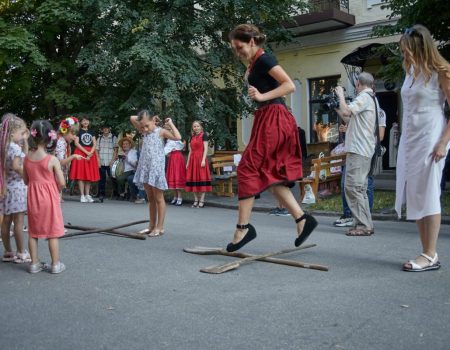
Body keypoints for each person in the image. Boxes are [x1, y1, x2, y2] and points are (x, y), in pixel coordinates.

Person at [226, 24, 317, 252]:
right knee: (270, 176)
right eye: (235, 49)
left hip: (274, 118)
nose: (238, 52)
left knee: (247, 168)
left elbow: (289, 85)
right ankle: (302, 219)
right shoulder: (255, 63)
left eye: (240, 47)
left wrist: (261, 95)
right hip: (267, 117)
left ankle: (243, 228)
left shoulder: (265, 59)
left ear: (252, 42)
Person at [396, 25, 450, 272]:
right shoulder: (410, 71)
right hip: (411, 140)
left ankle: (430, 254)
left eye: (406, 47)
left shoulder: (442, 71)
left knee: (429, 194)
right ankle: (425, 252)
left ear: (418, 46)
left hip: (431, 139)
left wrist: (443, 142)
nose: (403, 52)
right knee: (415, 194)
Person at [334, 72, 377, 236]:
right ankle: (364, 223)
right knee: (359, 188)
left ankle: (364, 225)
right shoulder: (370, 99)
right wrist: (338, 107)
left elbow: (347, 112)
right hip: (362, 149)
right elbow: (349, 119)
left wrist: (340, 95)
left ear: (358, 83)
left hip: (359, 150)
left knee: (352, 187)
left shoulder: (364, 97)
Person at [24, 120, 66, 273]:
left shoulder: (27, 158)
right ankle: (55, 265)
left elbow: (26, 180)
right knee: (52, 232)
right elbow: (61, 182)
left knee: (33, 232)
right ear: (50, 138)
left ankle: (34, 264)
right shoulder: (52, 159)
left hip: (33, 197)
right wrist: (55, 187)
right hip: (49, 198)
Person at [130, 111, 181, 236]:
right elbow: (132, 118)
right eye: (142, 126)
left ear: (153, 120)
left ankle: (160, 227)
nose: (145, 129)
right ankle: (151, 226)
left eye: (147, 125)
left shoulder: (161, 131)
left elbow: (178, 137)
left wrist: (170, 123)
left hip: (156, 168)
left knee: (158, 198)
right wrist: (144, 120)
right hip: (146, 168)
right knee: (151, 198)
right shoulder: (144, 131)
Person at [333, 108, 386, 227]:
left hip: (366, 151)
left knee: (365, 185)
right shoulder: (360, 111)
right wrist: (349, 130)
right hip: (354, 150)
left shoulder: (379, 112)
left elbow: (380, 136)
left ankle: (365, 215)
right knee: (347, 184)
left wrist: (352, 130)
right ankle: (349, 215)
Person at [0, 113, 31, 264]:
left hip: (6, 188)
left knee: (6, 221)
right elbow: (16, 166)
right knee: (18, 221)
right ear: (12, 132)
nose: (23, 135)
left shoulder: (4, 146)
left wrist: (24, 140)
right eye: (22, 132)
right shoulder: (14, 147)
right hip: (17, 189)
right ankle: (20, 252)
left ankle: (7, 251)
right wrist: (27, 176)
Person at [69, 116, 100, 203]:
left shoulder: (92, 132)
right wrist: (86, 152)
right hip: (81, 152)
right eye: (84, 121)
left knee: (88, 175)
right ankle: (82, 195)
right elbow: (76, 143)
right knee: (81, 174)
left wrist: (91, 152)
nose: (86, 122)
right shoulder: (78, 131)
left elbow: (94, 143)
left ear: (89, 122)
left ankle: (87, 194)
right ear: (81, 123)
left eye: (87, 120)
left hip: (90, 153)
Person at [55, 116, 83, 201]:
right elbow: (60, 162)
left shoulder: (64, 142)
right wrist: (73, 156)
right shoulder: (61, 142)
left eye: (75, 134)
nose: (75, 137)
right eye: (73, 134)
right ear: (65, 131)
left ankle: (59, 195)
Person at [185, 121, 212, 208]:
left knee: (202, 178)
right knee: (193, 179)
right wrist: (188, 162)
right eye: (194, 126)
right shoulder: (191, 137)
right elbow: (190, 151)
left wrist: (204, 160)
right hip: (193, 160)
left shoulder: (204, 135)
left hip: (201, 159)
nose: (196, 128)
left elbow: (206, 149)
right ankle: (196, 199)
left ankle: (202, 200)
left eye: (197, 126)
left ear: (201, 127)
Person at [96, 124, 119, 200]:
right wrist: (98, 161)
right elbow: (97, 151)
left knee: (113, 178)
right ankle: (101, 194)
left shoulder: (113, 138)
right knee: (101, 179)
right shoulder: (99, 138)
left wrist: (112, 161)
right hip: (102, 161)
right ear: (102, 130)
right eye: (104, 128)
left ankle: (116, 194)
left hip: (110, 161)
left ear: (109, 129)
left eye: (107, 128)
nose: (105, 130)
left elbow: (116, 150)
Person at [164, 133, 186, 206]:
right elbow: (166, 151)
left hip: (178, 158)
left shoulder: (177, 139)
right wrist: (167, 154)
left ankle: (180, 197)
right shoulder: (168, 140)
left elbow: (182, 146)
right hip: (172, 158)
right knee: (173, 176)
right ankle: (175, 196)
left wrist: (183, 144)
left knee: (177, 176)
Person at [116, 137, 138, 201]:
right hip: (122, 170)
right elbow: (117, 163)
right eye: (123, 144)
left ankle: (122, 194)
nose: (124, 145)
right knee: (114, 176)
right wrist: (118, 158)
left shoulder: (134, 152)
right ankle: (123, 193)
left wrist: (126, 158)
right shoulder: (121, 152)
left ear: (130, 145)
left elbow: (135, 164)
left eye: (126, 144)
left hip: (131, 170)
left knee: (120, 178)